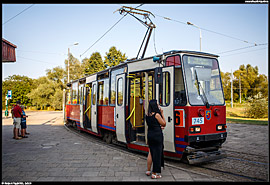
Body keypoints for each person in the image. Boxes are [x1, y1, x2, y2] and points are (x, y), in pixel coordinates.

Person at [145, 99, 166, 179]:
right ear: (154, 105)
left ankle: (148, 170)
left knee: (151, 152)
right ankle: (154, 173)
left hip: (150, 135)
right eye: (157, 104)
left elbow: (152, 125)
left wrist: (158, 126)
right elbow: (164, 123)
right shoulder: (157, 115)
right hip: (157, 135)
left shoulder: (147, 115)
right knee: (157, 154)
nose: (158, 105)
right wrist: (162, 114)